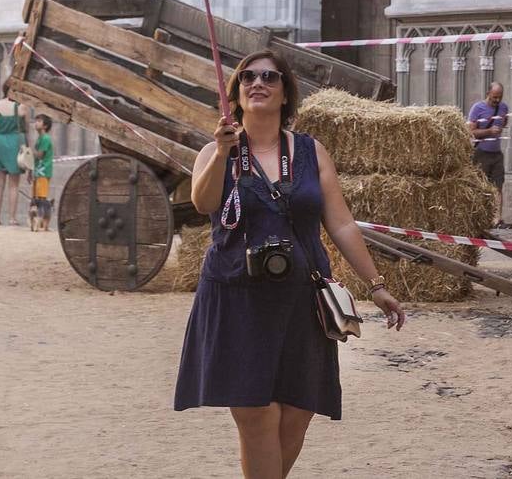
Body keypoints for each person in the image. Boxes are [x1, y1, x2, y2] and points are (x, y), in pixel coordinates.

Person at [174, 51, 405, 478]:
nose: (257, 83)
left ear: (285, 93)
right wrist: (224, 152)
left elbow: (341, 222)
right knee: (257, 414)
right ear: (236, 93)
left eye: (269, 77)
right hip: (236, 297)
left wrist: (376, 284)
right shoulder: (215, 150)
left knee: (298, 410)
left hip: (302, 297)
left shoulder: (310, 151)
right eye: (248, 77)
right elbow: (202, 203)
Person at [468, 82, 510, 228]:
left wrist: (499, 128)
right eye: (494, 97)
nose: (497, 100)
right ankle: (478, 218)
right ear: (488, 94)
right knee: (480, 187)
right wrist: (489, 131)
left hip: (497, 153)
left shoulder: (503, 108)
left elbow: (504, 122)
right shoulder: (477, 108)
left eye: (499, 97)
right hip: (481, 153)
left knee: (498, 187)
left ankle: (497, 220)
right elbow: (471, 132)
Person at [0, 84, 25, 226]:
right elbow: (25, 130)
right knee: (13, 185)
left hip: (0, 141)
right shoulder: (21, 107)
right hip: (14, 141)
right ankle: (12, 218)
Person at [30, 114, 54, 232]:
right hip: (37, 172)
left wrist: (28, 152)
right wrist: (30, 172)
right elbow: (34, 159)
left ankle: (42, 223)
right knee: (35, 199)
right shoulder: (39, 139)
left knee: (42, 200)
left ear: (45, 125)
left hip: (44, 172)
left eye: (39, 121)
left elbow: (40, 155)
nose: (36, 123)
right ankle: (36, 223)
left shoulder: (45, 139)